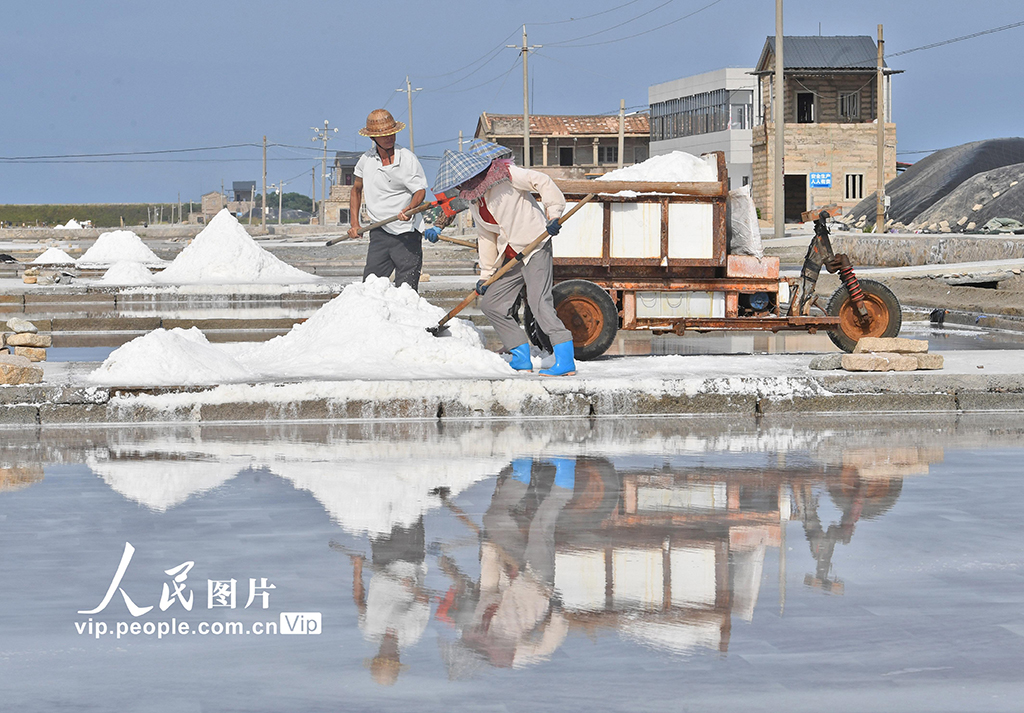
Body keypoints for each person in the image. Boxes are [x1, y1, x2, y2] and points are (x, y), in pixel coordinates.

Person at [432, 140, 576, 377]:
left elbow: (542, 181)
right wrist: (486, 276)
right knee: (492, 304)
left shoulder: (506, 174)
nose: (459, 186)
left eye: (461, 181)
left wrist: (553, 215)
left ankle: (565, 359)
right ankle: (520, 357)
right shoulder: (474, 200)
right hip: (510, 256)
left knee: (539, 302)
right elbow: (486, 238)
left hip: (534, 244)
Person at [347, 109, 429, 291]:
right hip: (379, 231)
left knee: (406, 291)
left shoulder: (407, 158)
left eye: (391, 133)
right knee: (370, 288)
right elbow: (356, 190)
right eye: (384, 135)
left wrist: (410, 208)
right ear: (373, 138)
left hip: (407, 233)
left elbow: (420, 191)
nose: (389, 138)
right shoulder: (366, 160)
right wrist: (355, 223)